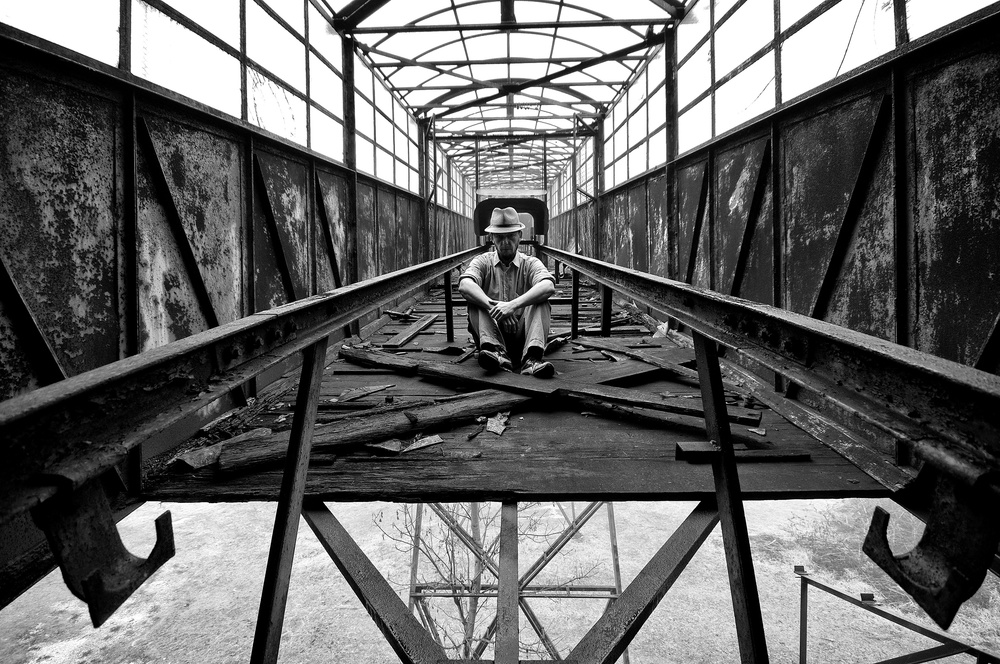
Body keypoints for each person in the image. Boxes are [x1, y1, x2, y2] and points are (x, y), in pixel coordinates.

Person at [458, 207, 556, 377]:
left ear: (520, 236)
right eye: (500, 237)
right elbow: (465, 285)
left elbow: (548, 286)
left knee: (541, 301)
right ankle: (496, 353)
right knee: (475, 300)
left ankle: (531, 359)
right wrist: (495, 308)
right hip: (491, 333)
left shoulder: (530, 263)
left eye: (511, 236)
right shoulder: (483, 262)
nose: (505, 242)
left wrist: (512, 306)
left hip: (524, 335)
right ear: (492, 238)